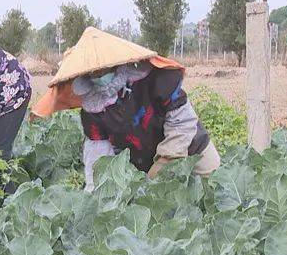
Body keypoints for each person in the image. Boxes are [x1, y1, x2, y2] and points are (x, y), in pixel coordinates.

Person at [31, 27, 220, 189]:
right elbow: (98, 158)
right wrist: (94, 191)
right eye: (92, 72)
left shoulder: (154, 80)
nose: (98, 74)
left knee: (213, 189)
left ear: (116, 63)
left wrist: (164, 162)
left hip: (191, 146)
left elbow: (183, 124)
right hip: (143, 162)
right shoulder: (93, 110)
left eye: (103, 69)